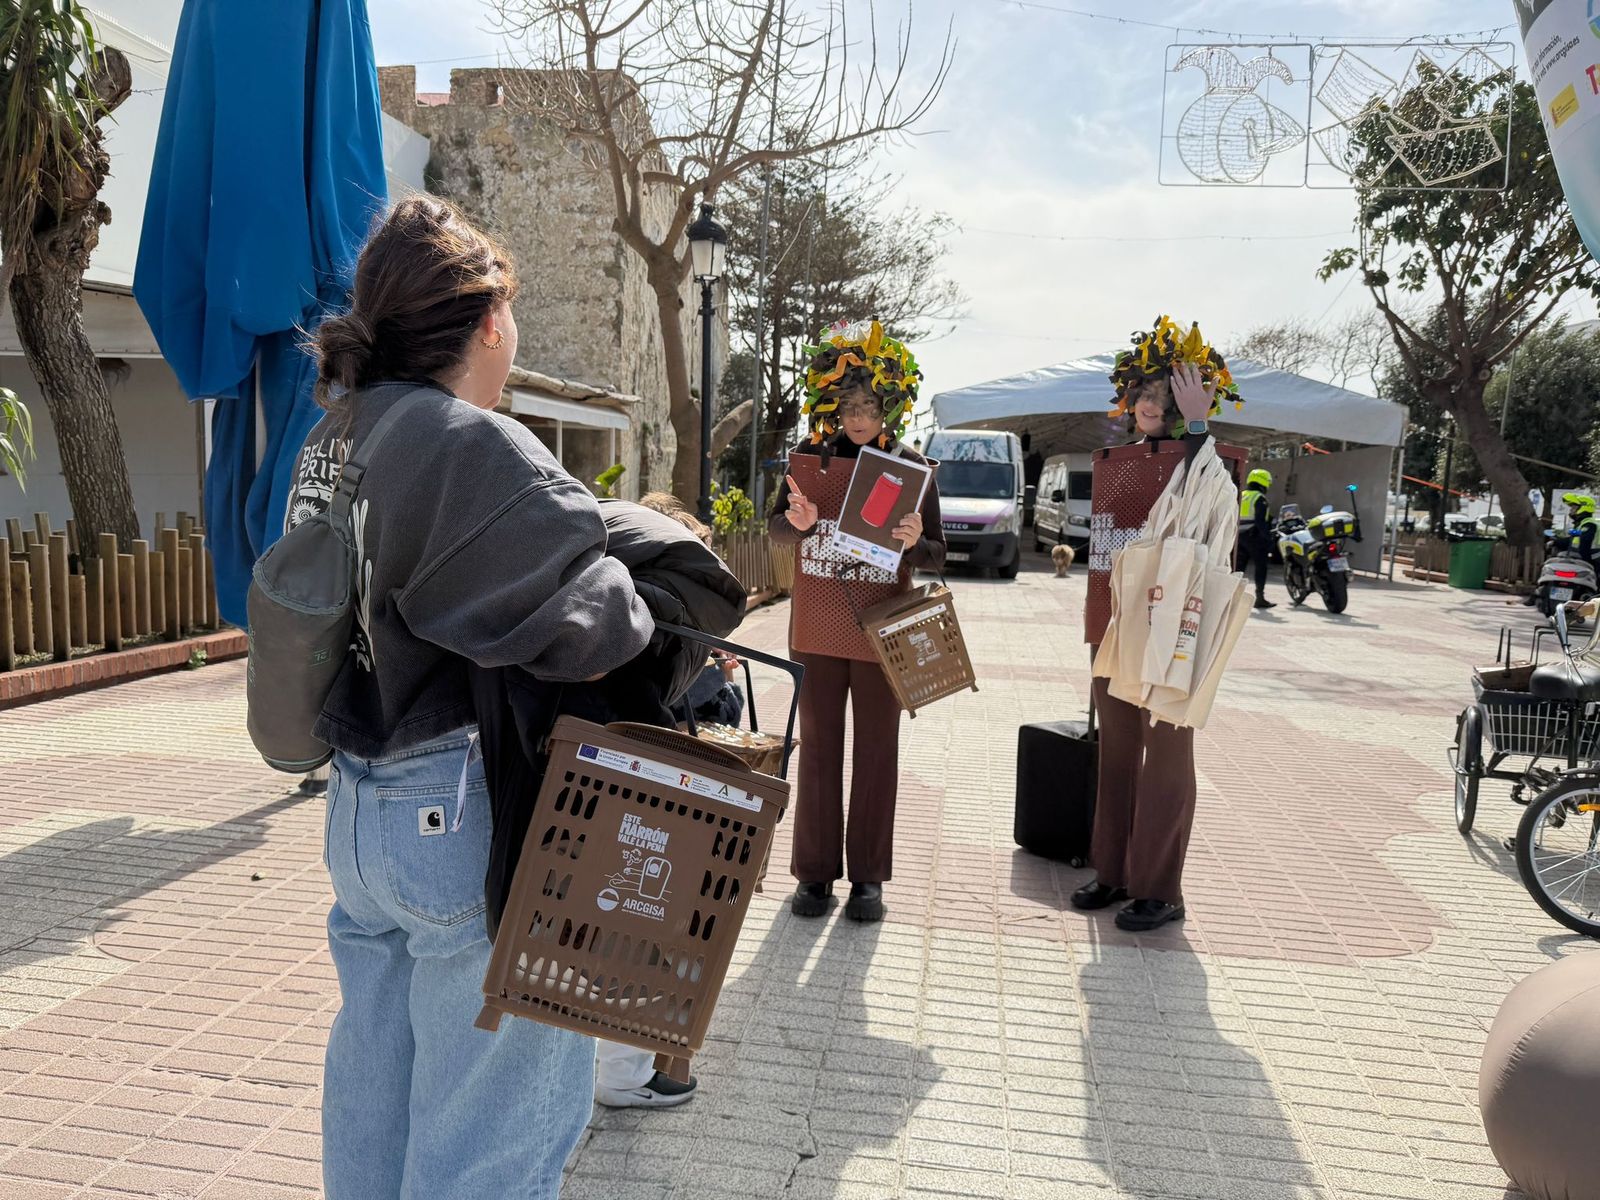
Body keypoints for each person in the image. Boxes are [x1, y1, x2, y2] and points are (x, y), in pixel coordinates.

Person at [289, 196, 656, 1200]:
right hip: (455, 808)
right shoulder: (468, 442)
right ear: (490, 318)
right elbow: (595, 630)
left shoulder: (340, 430)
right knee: (494, 1122)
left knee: (377, 1079)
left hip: (358, 805)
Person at [768, 319, 946, 922]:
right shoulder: (810, 459)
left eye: (868, 405)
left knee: (876, 751)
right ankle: (813, 876)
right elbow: (775, 529)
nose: (856, 417)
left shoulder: (912, 466)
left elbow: (937, 554)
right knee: (818, 748)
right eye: (846, 405)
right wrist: (795, 522)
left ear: (890, 405)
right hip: (816, 626)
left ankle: (868, 880)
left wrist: (917, 539)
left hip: (880, 626)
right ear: (830, 403)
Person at [1075, 316, 1241, 933]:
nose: (1151, 405)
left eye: (1166, 397)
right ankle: (1113, 871)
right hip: (1113, 623)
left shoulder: (1208, 459)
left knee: (1168, 749)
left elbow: (1215, 506)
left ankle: (1160, 887)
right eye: (1144, 394)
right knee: (1117, 747)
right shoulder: (1113, 458)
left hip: (1178, 624)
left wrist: (1199, 428)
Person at [1238, 467, 1276, 610]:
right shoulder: (1259, 498)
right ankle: (1259, 598)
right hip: (1254, 538)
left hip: (1238, 537)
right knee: (1261, 567)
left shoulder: (1242, 495)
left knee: (1238, 569)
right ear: (1263, 482)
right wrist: (1269, 540)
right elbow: (1261, 522)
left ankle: (1232, 596)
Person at [1566, 492, 1598, 567]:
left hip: (1593, 560)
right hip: (1587, 558)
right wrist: (1557, 541)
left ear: (1583, 508)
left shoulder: (1589, 524)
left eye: (1574, 507)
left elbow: (1585, 542)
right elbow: (1573, 539)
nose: (1571, 510)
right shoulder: (1582, 524)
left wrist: (1584, 561)